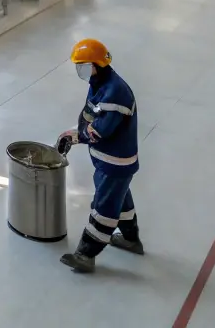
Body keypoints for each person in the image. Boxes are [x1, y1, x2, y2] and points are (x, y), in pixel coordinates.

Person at [55, 38, 142, 274]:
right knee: (120, 199)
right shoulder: (98, 83)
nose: (79, 69)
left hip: (116, 162)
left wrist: (77, 137)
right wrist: (72, 132)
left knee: (104, 206)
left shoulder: (115, 93)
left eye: (82, 64)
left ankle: (85, 255)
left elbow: (100, 131)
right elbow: (88, 115)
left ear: (96, 64)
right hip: (107, 160)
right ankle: (131, 240)